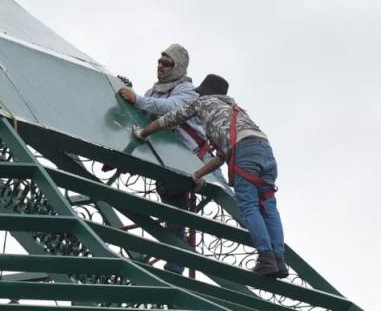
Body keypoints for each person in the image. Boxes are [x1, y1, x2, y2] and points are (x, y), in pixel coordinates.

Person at [132, 74, 288, 278]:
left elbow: (168, 118)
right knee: (268, 205)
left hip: (244, 153)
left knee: (249, 206)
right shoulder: (236, 111)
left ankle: (266, 258)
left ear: (205, 92)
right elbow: (221, 157)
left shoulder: (203, 103)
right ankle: (280, 261)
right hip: (265, 150)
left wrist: (143, 133)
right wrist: (198, 174)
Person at [118, 44, 205, 273]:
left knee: (176, 217)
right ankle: (172, 266)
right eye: (160, 61)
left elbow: (169, 108)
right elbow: (142, 113)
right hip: (165, 159)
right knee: (172, 215)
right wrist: (124, 91)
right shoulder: (154, 92)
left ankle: (175, 270)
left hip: (188, 159)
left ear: (178, 67)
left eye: (167, 63)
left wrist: (136, 99)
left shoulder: (188, 91)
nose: (161, 66)